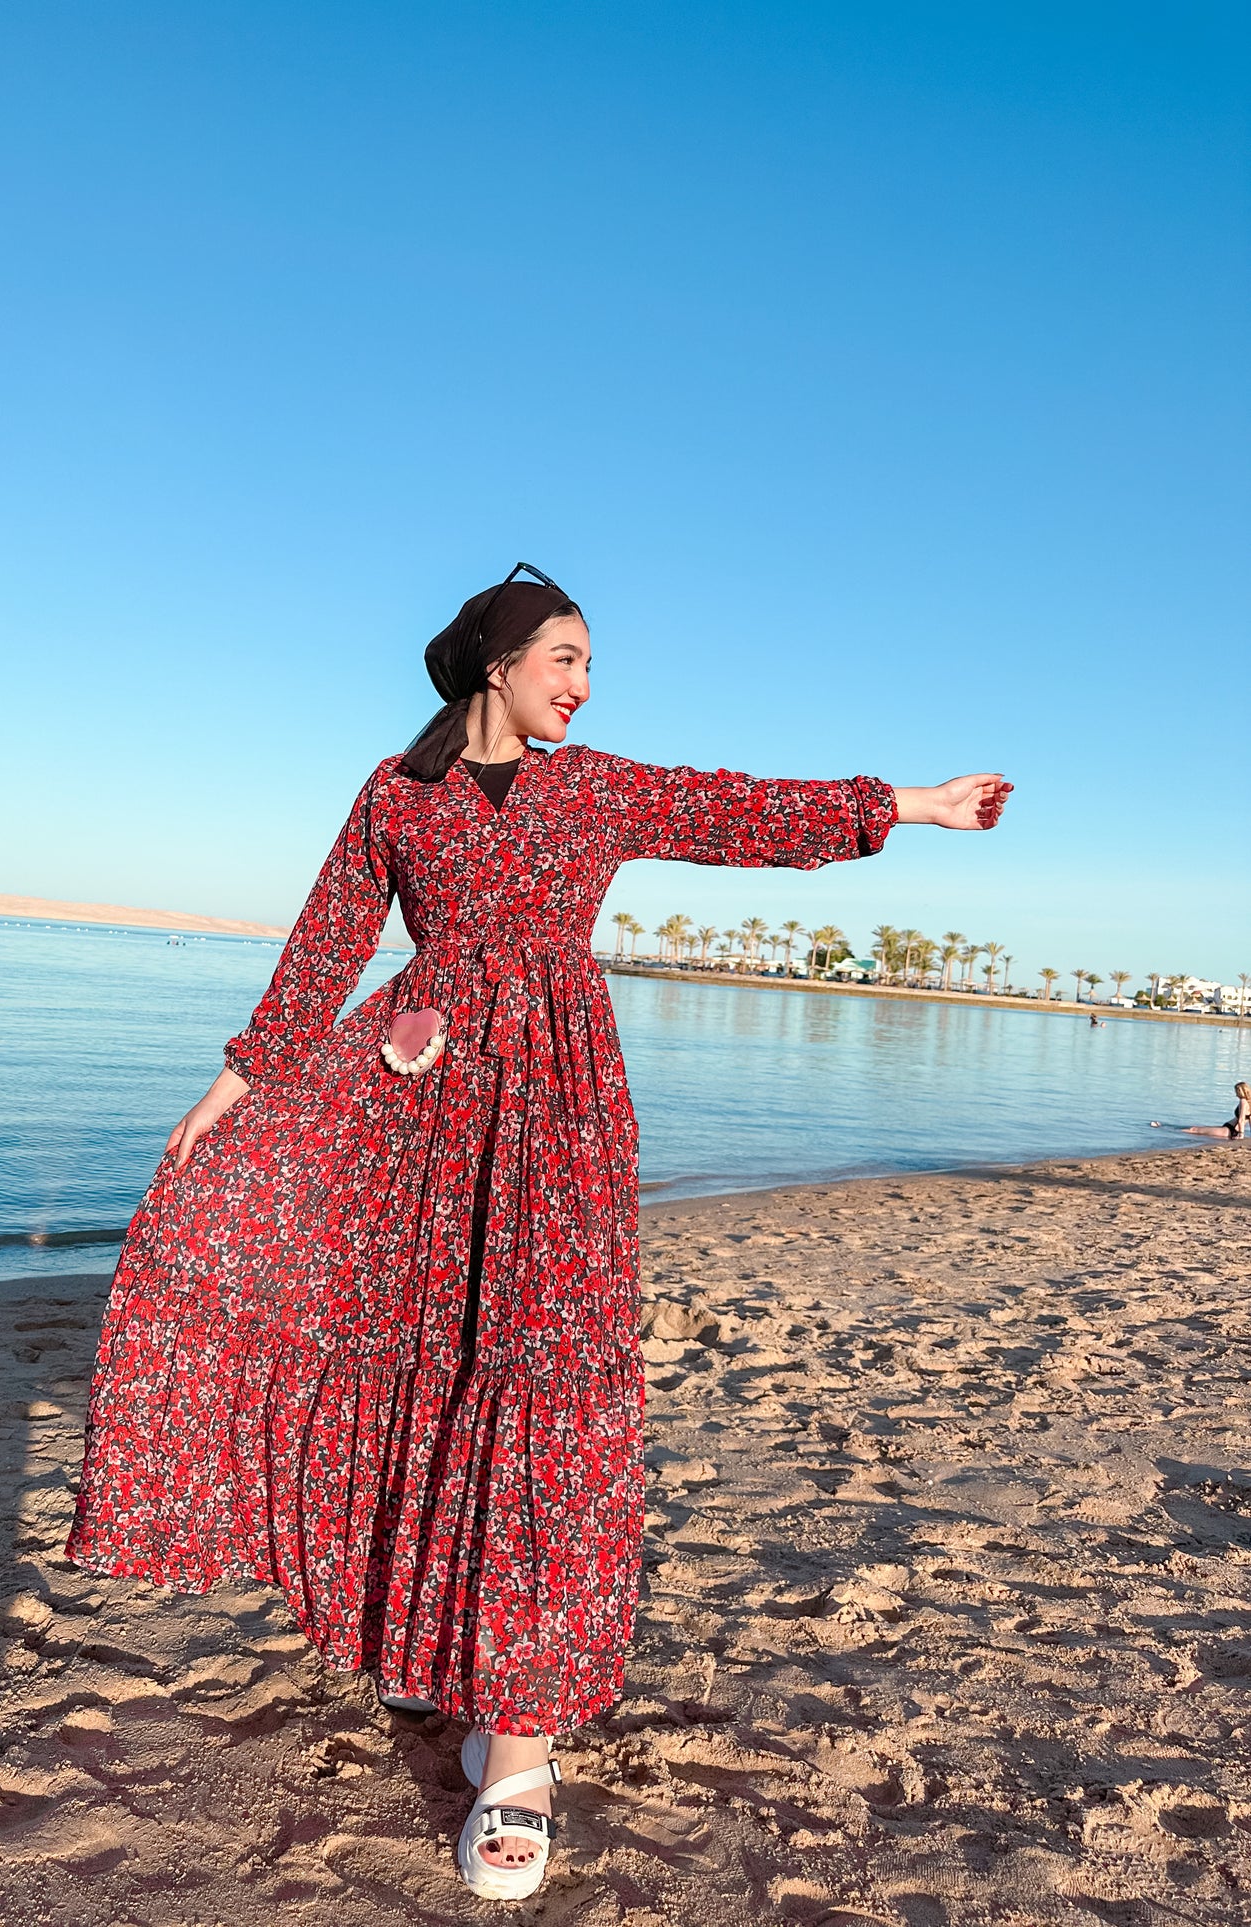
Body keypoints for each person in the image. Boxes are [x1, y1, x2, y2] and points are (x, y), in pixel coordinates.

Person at [64, 563, 1013, 1901]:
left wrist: (906, 803)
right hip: (423, 1106)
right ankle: (445, 1649)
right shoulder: (397, 794)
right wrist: (239, 1078)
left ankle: (521, 1743)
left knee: (548, 1387)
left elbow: (742, 809)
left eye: (586, 666)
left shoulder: (600, 785)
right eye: (563, 657)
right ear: (497, 663)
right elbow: (328, 937)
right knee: (426, 1364)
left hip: (561, 1108)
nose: (578, 683)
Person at [1151, 1081, 1251, 1139]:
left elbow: (1241, 1120)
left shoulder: (1243, 1101)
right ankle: (1163, 1127)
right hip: (1230, 1129)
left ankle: (1161, 1128)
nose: (1235, 1094)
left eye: (1236, 1091)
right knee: (1195, 1129)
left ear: (1241, 1091)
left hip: (1230, 1130)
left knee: (1194, 1130)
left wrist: (1240, 1134)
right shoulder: (1249, 1103)